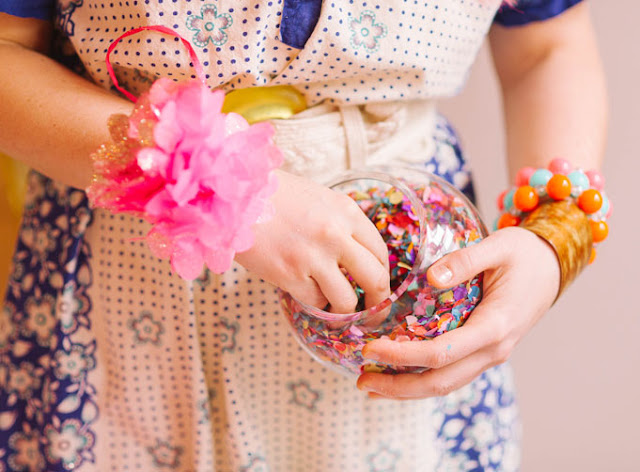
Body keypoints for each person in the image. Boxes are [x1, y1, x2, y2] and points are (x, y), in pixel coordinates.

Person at [0, 0, 607, 470]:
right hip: (130, 277)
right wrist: (230, 194)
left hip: (417, 292)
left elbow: (547, 47)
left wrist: (554, 237)